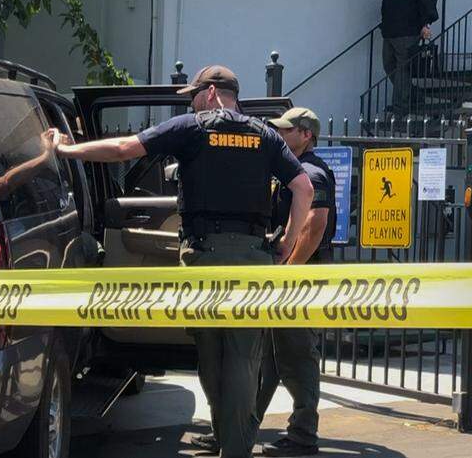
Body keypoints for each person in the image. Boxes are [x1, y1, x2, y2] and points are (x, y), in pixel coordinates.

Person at [48, 66, 313, 458]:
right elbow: (303, 188)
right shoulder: (265, 135)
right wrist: (287, 244)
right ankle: (235, 448)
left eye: (192, 94)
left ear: (209, 92)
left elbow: (122, 150)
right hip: (253, 257)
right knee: (243, 355)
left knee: (209, 350)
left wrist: (67, 149)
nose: (190, 101)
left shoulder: (192, 127)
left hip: (203, 255)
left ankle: (224, 436)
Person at [254, 107, 335, 457]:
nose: (279, 135)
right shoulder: (292, 170)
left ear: (305, 134)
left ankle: (303, 436)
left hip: (298, 279)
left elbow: (315, 223)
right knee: (269, 358)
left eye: (285, 131)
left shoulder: (311, 172)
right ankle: (241, 424)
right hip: (289, 276)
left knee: (298, 355)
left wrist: (290, 268)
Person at [380, 0, 439, 114]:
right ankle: (414, 94)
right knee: (389, 66)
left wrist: (425, 24)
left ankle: (401, 108)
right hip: (390, 32)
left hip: (408, 32)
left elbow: (424, 1)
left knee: (402, 70)